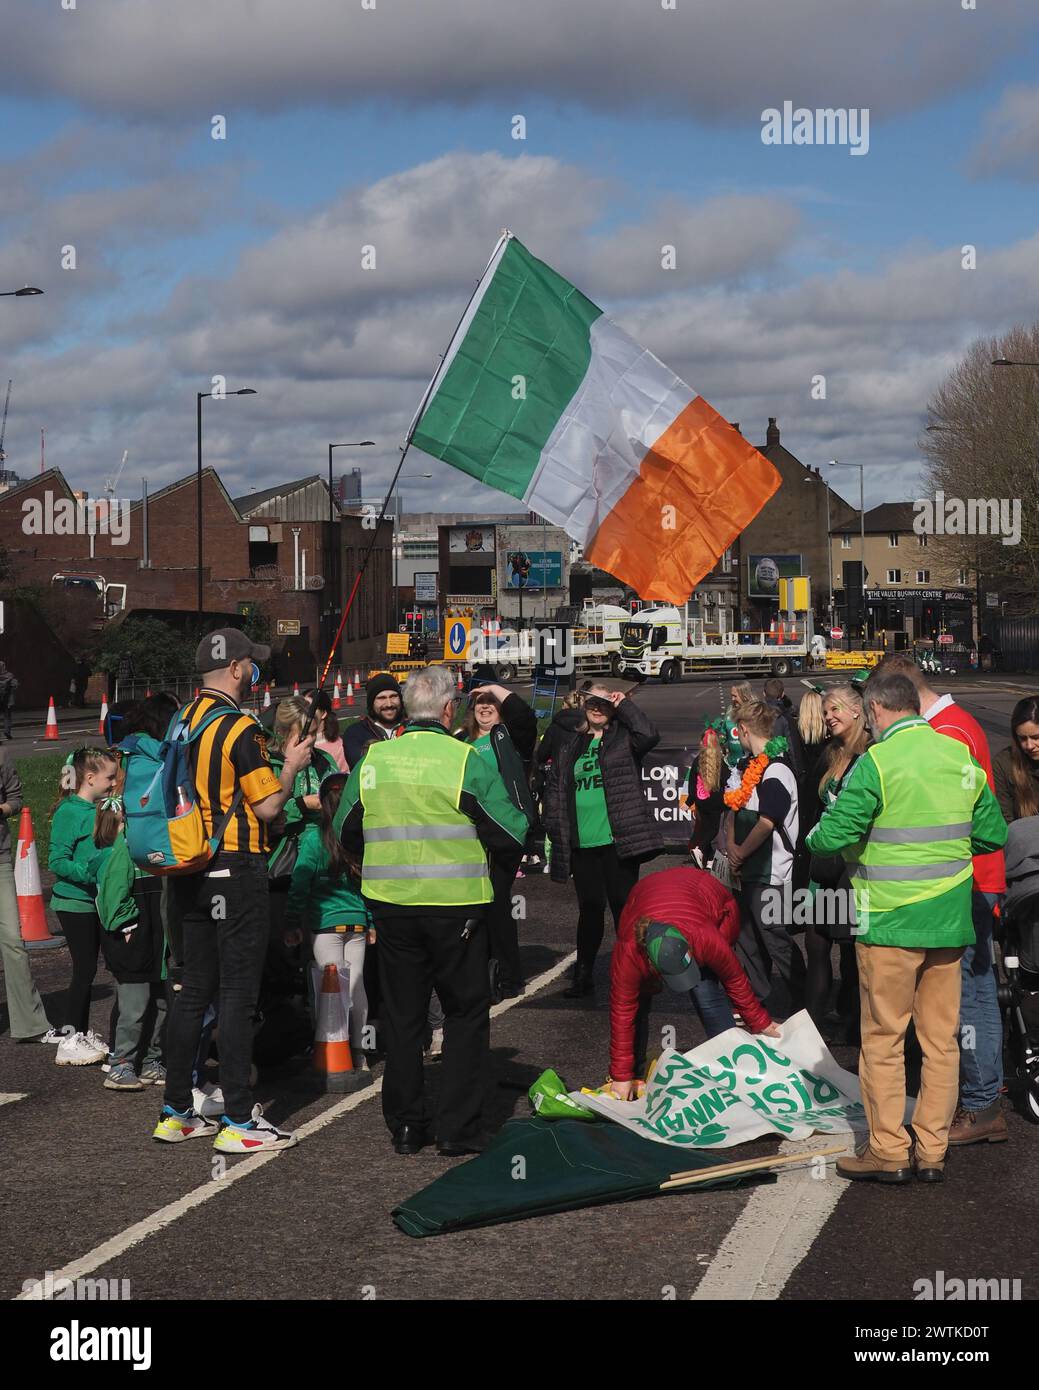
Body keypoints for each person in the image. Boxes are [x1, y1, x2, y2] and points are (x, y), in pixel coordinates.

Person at [805, 671, 1008, 1184]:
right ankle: (933, 1151)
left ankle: (889, 1150)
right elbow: (992, 834)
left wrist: (838, 841)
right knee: (941, 1043)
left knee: (884, 1040)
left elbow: (829, 837)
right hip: (948, 923)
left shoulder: (876, 762)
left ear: (873, 711)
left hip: (888, 922)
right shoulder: (958, 758)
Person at [334, 664, 528, 1157]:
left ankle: (405, 1124)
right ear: (447, 710)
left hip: (392, 907)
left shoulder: (375, 759)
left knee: (402, 1016)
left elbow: (344, 830)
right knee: (464, 1014)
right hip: (457, 907)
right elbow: (511, 832)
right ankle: (457, 1129)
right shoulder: (464, 760)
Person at [154, 629, 314, 1152]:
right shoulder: (241, 727)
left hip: (187, 864)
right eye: (254, 664)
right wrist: (290, 767)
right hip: (236, 864)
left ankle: (177, 1109)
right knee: (238, 993)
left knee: (192, 989)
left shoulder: (181, 720)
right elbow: (268, 808)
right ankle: (241, 1121)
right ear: (240, 668)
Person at [874, 653, 1008, 1145]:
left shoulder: (948, 733)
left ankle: (981, 1102)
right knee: (961, 995)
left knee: (969, 997)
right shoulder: (956, 725)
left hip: (963, 883)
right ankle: (976, 1097)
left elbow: (967, 820)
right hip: (961, 880)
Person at [608, 866, 780, 1097]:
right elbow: (622, 1011)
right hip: (644, 896)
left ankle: (733, 1065)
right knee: (637, 1001)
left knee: (706, 991)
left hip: (707, 896)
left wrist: (761, 1023)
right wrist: (621, 1077)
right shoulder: (628, 953)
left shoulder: (705, 937)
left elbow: (734, 979)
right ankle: (634, 1076)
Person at [543, 681, 662, 1000]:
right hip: (582, 843)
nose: (596, 708)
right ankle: (583, 974)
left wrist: (625, 704)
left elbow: (649, 733)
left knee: (624, 909)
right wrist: (554, 827)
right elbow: (556, 785)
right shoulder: (573, 742)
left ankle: (635, 973)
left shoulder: (623, 738)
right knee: (590, 909)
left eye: (603, 703)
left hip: (617, 841)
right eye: (591, 702)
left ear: (612, 707)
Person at [722, 699, 805, 1016]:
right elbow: (734, 808)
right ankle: (758, 1002)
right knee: (747, 940)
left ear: (744, 730)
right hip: (747, 871)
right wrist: (731, 845)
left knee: (775, 940)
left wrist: (740, 851)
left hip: (771, 873)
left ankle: (803, 1001)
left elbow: (768, 821)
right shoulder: (748, 766)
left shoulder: (776, 770)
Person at [285, 773, 372, 1070]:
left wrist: (291, 921)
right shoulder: (359, 836)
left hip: (326, 925)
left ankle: (332, 1052)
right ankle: (359, 1053)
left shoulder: (314, 839)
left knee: (330, 989)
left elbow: (300, 884)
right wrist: (371, 921)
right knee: (356, 986)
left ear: (321, 803)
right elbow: (369, 886)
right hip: (358, 922)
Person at [458, 683, 536, 998]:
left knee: (496, 899)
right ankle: (480, 967)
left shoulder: (507, 737)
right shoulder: (460, 742)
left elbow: (525, 717)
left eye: (491, 701)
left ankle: (508, 974)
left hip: (505, 830)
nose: (486, 706)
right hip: (468, 833)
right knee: (475, 901)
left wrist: (494, 687)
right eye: (479, 701)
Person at [803, 684, 869, 1038]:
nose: (828, 717)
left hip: (852, 867)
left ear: (857, 711)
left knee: (851, 951)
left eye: (835, 710)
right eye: (826, 711)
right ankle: (810, 1031)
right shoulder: (830, 752)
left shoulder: (873, 753)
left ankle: (855, 1021)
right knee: (815, 942)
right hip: (822, 865)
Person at [48, 747, 120, 1066]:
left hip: (93, 902)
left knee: (90, 969)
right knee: (84, 970)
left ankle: (80, 1031)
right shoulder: (69, 812)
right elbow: (57, 861)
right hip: (73, 903)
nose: (114, 782)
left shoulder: (99, 809)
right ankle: (69, 1037)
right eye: (109, 777)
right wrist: (90, 873)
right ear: (89, 778)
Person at [91, 794, 168, 1090]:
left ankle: (152, 1060)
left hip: (156, 939)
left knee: (162, 1002)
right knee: (135, 1006)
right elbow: (112, 900)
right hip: (134, 941)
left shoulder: (148, 849)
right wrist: (128, 924)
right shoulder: (123, 852)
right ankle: (121, 1063)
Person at [0, 745, 54, 1042]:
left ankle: (30, 1024)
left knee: (13, 941)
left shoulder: (2, 755)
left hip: (1, 858)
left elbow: (16, 799)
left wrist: (2, 809)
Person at [341, 673, 405, 769]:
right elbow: (361, 766)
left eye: (393, 696)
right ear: (371, 703)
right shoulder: (355, 733)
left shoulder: (411, 728)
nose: (389, 704)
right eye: (381, 698)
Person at [993, 696, 1039, 823]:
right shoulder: (1003, 764)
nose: (1029, 746)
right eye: (1023, 738)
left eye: (1036, 737)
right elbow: (1003, 820)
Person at [763, 677, 805, 779]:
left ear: (764, 693)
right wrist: (798, 774)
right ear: (782, 694)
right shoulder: (785, 717)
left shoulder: (756, 714)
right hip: (780, 767)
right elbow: (793, 749)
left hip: (760, 766)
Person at [305, 689, 348, 772]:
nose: (304, 713)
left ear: (324, 713)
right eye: (301, 708)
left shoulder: (339, 748)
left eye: (310, 709)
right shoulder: (294, 743)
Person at [0, 661, 17, 741]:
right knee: (7, 717)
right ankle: (7, 732)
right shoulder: (9, 675)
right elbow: (14, 686)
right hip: (7, 700)